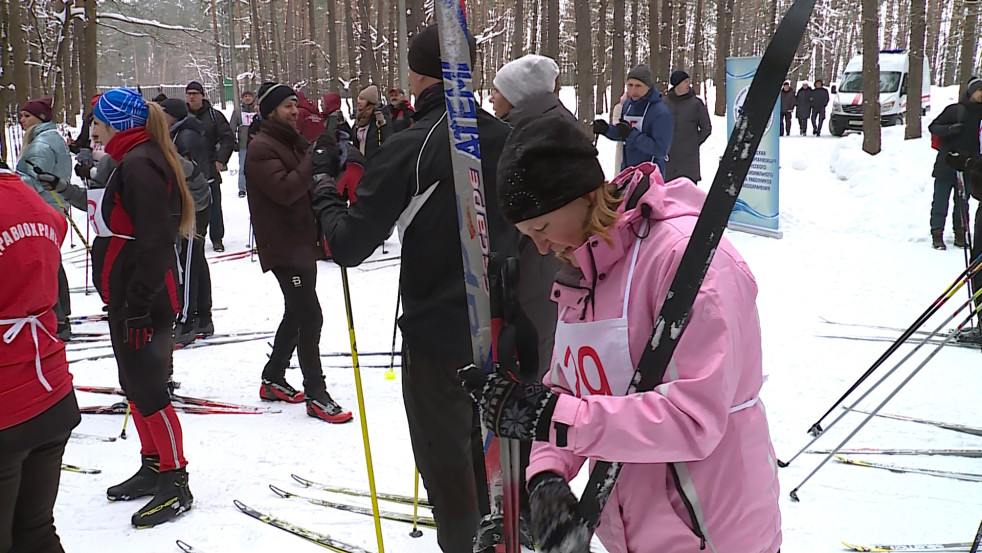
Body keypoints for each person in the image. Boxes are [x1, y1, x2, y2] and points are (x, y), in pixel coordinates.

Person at [461, 116, 782, 553]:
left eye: (542, 228)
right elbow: (570, 389)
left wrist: (553, 417)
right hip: (630, 527)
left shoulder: (686, 261)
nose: (541, 247)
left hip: (713, 531)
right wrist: (547, 475)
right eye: (527, 235)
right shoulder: (585, 267)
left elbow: (693, 420)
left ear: (585, 196)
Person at [312, 23, 517, 553]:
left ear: (419, 75)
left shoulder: (414, 143)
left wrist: (324, 189)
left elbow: (348, 245)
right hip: (507, 328)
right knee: (494, 459)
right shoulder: (506, 136)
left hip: (439, 337)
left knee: (450, 468)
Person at [89, 87, 195, 527]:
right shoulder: (132, 158)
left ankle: (176, 479)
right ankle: (152, 465)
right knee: (133, 384)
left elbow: (156, 239)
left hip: (144, 298)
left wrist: (138, 302)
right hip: (131, 293)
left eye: (97, 122)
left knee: (150, 389)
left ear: (116, 123)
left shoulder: (140, 163)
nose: (92, 130)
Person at [244, 81, 353, 424]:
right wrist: (312, 161)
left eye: (295, 104)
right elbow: (286, 190)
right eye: (287, 106)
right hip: (284, 246)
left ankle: (273, 376)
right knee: (310, 316)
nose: (295, 111)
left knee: (296, 312)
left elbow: (311, 177)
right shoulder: (261, 148)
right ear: (270, 111)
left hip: (302, 242)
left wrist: (331, 158)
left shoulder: (289, 140)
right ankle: (316, 393)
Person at [0, 165, 81, 553]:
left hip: (10, 404)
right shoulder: (30, 198)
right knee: (35, 533)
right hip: (51, 394)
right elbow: (56, 225)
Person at [14, 96, 75, 341]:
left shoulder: (40, 145)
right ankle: (61, 315)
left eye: (27, 116)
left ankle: (58, 319)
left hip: (44, 208)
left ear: (40, 118)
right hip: (53, 206)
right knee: (52, 261)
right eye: (21, 115)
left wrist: (9, 179)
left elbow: (31, 181)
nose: (22, 120)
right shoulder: (50, 138)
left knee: (46, 263)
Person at [160, 98, 216, 345]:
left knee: (189, 261)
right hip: (190, 203)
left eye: (163, 113)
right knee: (196, 260)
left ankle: (187, 321)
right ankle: (203, 316)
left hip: (195, 205)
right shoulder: (178, 133)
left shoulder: (187, 137)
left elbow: (195, 172)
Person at [928, 77, 982, 251]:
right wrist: (949, 130)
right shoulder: (955, 110)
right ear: (971, 92)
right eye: (979, 90)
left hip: (969, 164)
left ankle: (960, 233)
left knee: (963, 202)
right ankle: (937, 234)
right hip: (947, 162)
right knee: (940, 201)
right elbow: (933, 126)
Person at [593, 64, 673, 176]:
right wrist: (607, 130)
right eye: (630, 85)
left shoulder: (660, 112)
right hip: (627, 172)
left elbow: (661, 150)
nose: (633, 90)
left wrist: (632, 135)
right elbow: (623, 133)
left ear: (648, 86)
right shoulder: (628, 105)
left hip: (650, 176)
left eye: (638, 85)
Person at [186, 81, 235, 252]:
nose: (191, 97)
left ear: (202, 95)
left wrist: (221, 159)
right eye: (189, 94)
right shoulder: (182, 115)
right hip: (188, 169)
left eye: (195, 94)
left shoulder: (214, 116)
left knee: (214, 206)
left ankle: (217, 238)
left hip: (209, 167)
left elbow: (228, 138)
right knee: (189, 206)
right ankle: (194, 238)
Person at [664, 70, 712, 183]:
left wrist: (692, 143)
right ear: (677, 84)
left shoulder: (696, 103)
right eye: (685, 81)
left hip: (689, 163)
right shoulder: (663, 103)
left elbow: (706, 128)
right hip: (667, 162)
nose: (688, 84)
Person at [352, 84, 393, 162]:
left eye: (362, 99)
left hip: (374, 161)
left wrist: (383, 124)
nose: (359, 101)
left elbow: (388, 138)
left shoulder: (378, 116)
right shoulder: (359, 118)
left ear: (369, 102)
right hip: (360, 161)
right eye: (359, 98)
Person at [230, 90, 258, 198]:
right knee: (243, 167)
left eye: (249, 96)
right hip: (243, 144)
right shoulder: (238, 112)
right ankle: (242, 188)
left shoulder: (257, 110)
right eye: (245, 96)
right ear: (242, 99)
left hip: (257, 144)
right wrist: (233, 141)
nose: (247, 98)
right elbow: (232, 127)